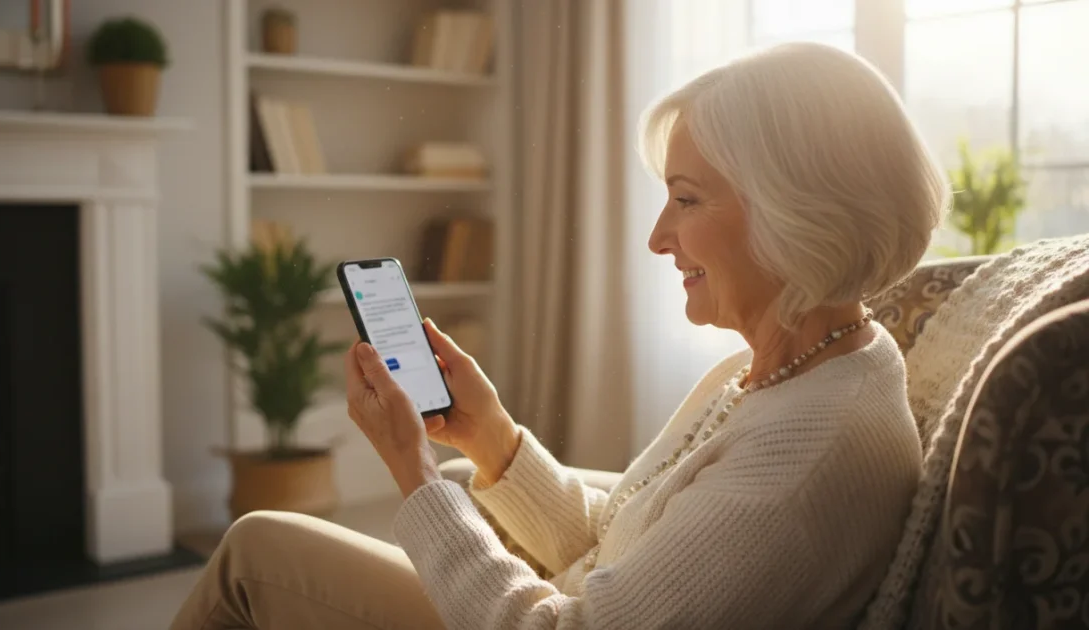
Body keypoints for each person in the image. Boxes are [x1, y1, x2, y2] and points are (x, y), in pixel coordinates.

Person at [170, 41, 948, 630]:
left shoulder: (806, 452)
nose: (657, 236)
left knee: (256, 549)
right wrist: (491, 438)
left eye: (686, 200)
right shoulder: (797, 367)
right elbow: (615, 546)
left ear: (794, 211)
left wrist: (409, 467)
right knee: (327, 529)